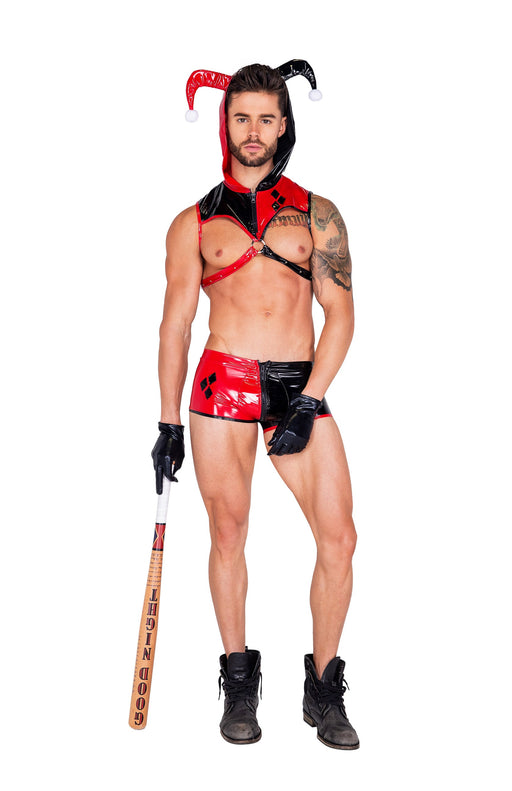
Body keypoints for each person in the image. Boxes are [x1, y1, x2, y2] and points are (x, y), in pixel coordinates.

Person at [151, 61, 359, 750]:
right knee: (228, 533)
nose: (254, 130)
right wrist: (167, 421)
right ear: (225, 122)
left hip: (299, 385)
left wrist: (311, 398)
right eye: (242, 116)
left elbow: (341, 315)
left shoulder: (319, 214)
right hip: (222, 385)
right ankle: (239, 682)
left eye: (266, 118)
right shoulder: (193, 223)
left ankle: (323, 689)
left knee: (339, 537)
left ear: (283, 125)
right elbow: (176, 325)